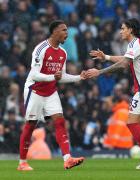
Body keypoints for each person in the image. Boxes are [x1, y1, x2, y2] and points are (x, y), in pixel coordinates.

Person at [87, 18, 140, 170]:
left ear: (131, 30)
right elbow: (125, 59)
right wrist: (106, 57)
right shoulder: (136, 44)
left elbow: (123, 65)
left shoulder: (135, 43)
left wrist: (99, 72)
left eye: (123, 28)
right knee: (139, 124)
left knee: (132, 123)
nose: (121, 31)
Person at [17, 20, 85, 171]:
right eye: (63, 30)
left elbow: (62, 76)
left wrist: (80, 77)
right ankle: (22, 162)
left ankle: (67, 159)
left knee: (60, 121)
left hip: (50, 91)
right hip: (34, 90)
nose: (66, 33)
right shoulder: (41, 49)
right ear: (54, 31)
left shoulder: (63, 53)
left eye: (67, 30)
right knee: (30, 125)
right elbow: (34, 74)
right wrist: (53, 77)